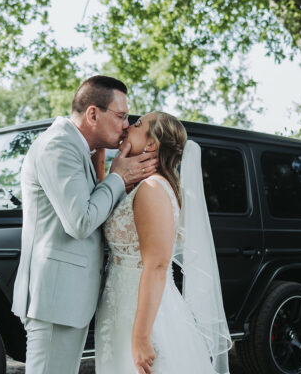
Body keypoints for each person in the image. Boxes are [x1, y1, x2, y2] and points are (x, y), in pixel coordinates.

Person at [11, 75, 159, 374]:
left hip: (66, 299)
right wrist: (119, 177)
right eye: (120, 116)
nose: (125, 125)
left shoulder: (79, 149)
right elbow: (80, 221)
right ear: (93, 113)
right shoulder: (58, 146)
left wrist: (105, 169)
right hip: (55, 299)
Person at [94, 112, 232, 374]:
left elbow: (157, 265)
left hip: (146, 315)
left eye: (137, 125)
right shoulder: (138, 187)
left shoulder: (153, 189)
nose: (128, 127)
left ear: (152, 144)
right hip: (121, 307)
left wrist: (142, 337)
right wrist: (104, 155)